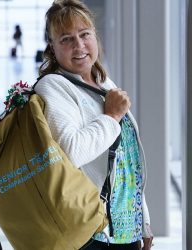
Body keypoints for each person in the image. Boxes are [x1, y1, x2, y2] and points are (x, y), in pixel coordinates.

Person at [35, 1, 154, 249]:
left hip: (124, 228)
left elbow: (127, 160)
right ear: (52, 47)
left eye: (84, 34)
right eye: (66, 39)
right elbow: (70, 152)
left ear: (95, 37)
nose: (79, 45)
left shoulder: (103, 82)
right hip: (90, 230)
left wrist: (143, 221)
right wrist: (111, 117)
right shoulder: (54, 86)